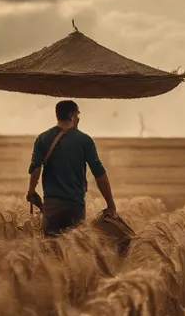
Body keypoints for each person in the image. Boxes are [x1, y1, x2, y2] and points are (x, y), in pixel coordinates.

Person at [26, 100, 117, 237]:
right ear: (72, 115)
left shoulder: (42, 139)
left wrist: (32, 190)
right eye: (78, 113)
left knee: (50, 251)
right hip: (75, 206)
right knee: (75, 251)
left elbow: (36, 168)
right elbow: (99, 174)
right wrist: (111, 205)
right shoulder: (85, 140)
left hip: (51, 206)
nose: (79, 117)